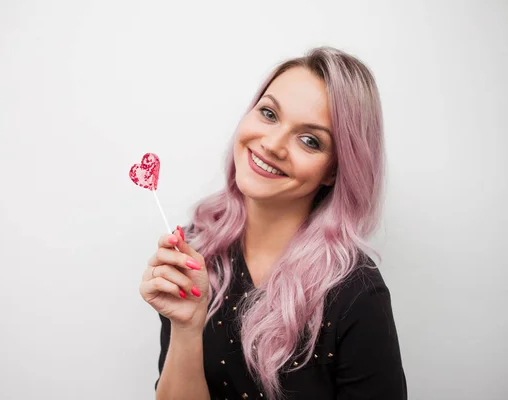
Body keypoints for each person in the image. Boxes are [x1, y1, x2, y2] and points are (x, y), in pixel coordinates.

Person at [139, 46, 407, 400]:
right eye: (268, 113)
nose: (273, 144)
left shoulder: (355, 292)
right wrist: (186, 327)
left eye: (310, 140)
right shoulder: (195, 253)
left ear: (334, 171)